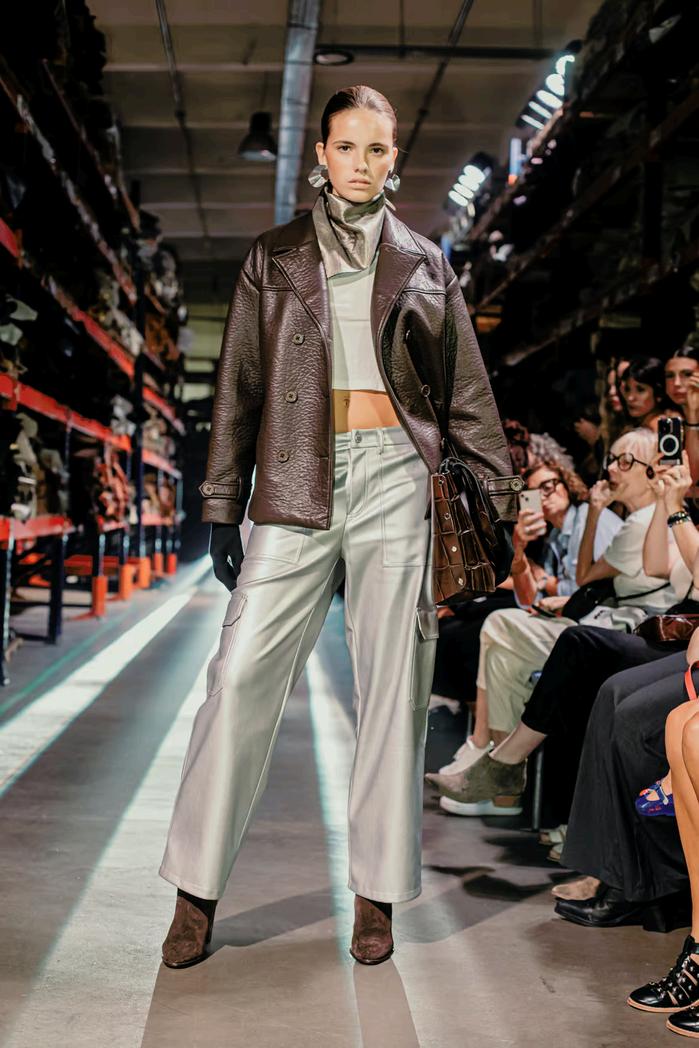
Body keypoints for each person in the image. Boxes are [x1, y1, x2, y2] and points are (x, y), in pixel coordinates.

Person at [158, 85, 514, 969]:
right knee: (238, 674)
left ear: (394, 159)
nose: (361, 163)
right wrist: (221, 503)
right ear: (321, 154)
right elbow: (238, 386)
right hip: (294, 473)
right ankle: (195, 890)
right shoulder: (273, 256)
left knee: (395, 683)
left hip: (397, 473)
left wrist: (498, 506)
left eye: (377, 149)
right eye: (347, 147)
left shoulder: (424, 261)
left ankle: (375, 894)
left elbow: (467, 394)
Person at [429, 428, 682, 816]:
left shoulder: (644, 520)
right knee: (500, 647)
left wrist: (594, 511)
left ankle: (493, 762)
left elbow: (585, 578)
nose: (612, 469)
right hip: (606, 622)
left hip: (623, 630)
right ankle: (499, 779)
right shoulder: (634, 519)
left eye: (624, 461)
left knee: (497, 627)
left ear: (652, 471)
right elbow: (578, 585)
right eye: (611, 460)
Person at [619, 357, 675, 432]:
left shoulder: (664, 427)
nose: (630, 398)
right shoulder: (640, 425)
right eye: (627, 389)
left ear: (659, 393)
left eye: (640, 390)